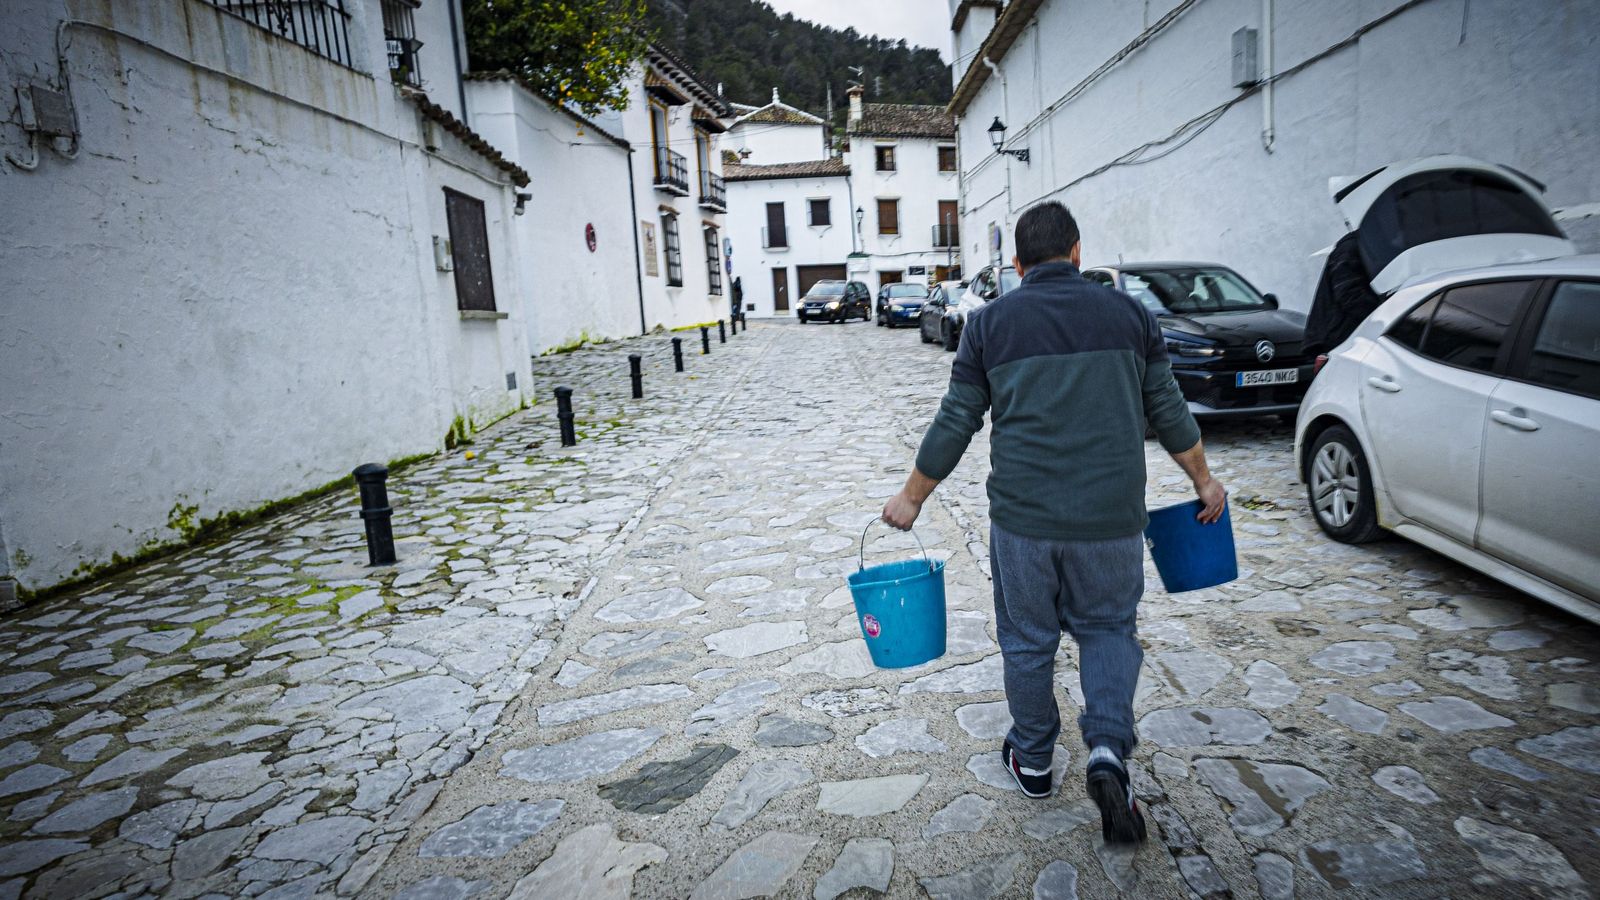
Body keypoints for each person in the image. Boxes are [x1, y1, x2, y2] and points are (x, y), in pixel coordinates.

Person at [881, 201, 1225, 844]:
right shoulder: (1130, 316)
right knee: (1107, 632)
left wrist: (912, 498)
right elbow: (1170, 409)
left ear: (1016, 265)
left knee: (1029, 640)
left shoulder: (989, 324)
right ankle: (1106, 754)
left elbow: (957, 418)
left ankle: (1034, 760)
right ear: (1076, 253)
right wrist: (1203, 480)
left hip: (1024, 524)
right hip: (1111, 521)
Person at [1303, 230, 1382, 356]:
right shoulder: (1351, 248)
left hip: (1346, 339)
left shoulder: (1367, 246)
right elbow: (1349, 295)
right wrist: (1383, 312)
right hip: (1335, 342)